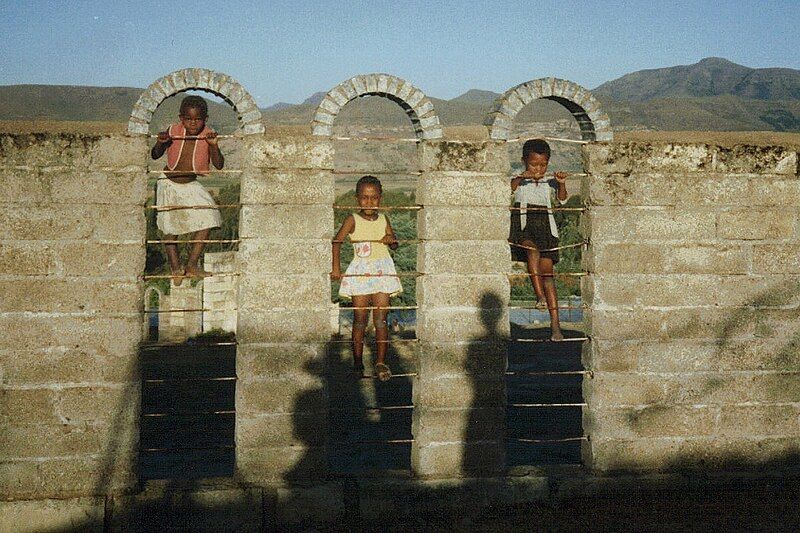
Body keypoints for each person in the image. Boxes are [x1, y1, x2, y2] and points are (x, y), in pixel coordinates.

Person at [332, 176, 402, 381]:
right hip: (360, 272)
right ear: (357, 199)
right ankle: (357, 362)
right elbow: (337, 242)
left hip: (383, 271)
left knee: (381, 319)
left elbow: (394, 242)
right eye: (364, 198)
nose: (369, 202)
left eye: (374, 198)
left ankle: (380, 362)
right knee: (360, 319)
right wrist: (336, 268)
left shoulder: (383, 219)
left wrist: (391, 240)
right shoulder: (352, 219)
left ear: (380, 198)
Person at [150, 95, 224, 286]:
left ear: (205, 119)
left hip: (190, 185)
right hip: (168, 183)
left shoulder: (209, 134)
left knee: (209, 216)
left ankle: (191, 265)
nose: (193, 123)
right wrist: (160, 142)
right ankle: (176, 268)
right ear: (181, 118)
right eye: (189, 119)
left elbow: (219, 164)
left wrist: (213, 146)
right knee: (170, 226)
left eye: (198, 119)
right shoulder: (173, 131)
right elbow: (155, 154)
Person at [509, 139, 568, 341]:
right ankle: (539, 296)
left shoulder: (548, 181)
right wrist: (520, 176)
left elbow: (562, 198)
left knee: (548, 275)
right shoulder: (518, 178)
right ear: (524, 161)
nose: (538, 169)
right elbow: (509, 188)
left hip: (545, 226)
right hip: (524, 225)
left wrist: (561, 183)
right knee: (532, 250)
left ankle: (555, 326)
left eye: (543, 165)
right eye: (534, 164)